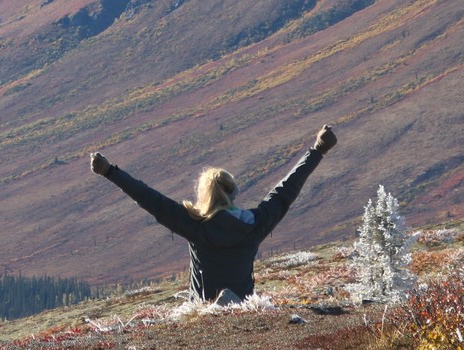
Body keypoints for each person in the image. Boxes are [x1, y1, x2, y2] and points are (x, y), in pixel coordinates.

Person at [89, 125, 337, 303]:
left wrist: (110, 172)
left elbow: (149, 198)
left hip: (202, 310)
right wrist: (318, 149)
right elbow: (286, 189)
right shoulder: (256, 224)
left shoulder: (193, 225)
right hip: (244, 308)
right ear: (234, 192)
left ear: (204, 195)